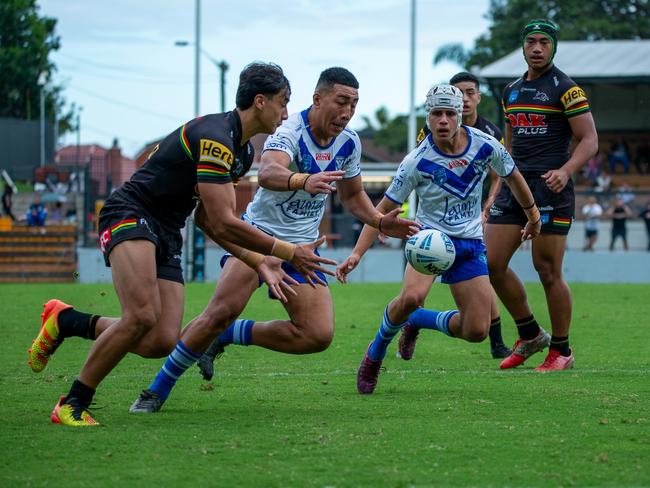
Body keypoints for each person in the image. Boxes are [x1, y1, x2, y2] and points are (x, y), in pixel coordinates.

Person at [28, 62, 336, 427]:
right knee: (141, 315)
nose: (286, 112)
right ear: (259, 101)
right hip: (131, 214)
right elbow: (224, 221)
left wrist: (258, 262)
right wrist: (284, 252)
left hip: (168, 230)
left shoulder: (242, 153)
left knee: (159, 339)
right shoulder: (217, 138)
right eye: (283, 102)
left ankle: (67, 321)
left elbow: (207, 221)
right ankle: (73, 403)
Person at [127, 67, 419, 413]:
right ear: (317, 99)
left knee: (317, 335)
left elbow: (353, 196)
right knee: (221, 310)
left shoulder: (349, 142)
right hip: (258, 237)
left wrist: (379, 221)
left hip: (303, 249)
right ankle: (156, 390)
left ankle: (228, 336)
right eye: (341, 101)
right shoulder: (289, 130)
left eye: (354, 105)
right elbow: (267, 172)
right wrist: (301, 180)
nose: (347, 112)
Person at [336, 84, 540, 395]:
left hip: (470, 246)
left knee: (475, 331)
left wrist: (533, 215)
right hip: (427, 242)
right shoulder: (415, 161)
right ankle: (375, 354)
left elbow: (514, 177)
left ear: (461, 116)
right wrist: (357, 254)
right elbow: (382, 211)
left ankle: (417, 321)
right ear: (428, 118)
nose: (443, 120)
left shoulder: (486, 146)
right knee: (410, 298)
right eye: (436, 114)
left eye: (449, 113)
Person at [485, 19, 598, 371]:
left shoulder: (566, 89)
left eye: (543, 43)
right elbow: (508, 145)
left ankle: (561, 350)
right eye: (531, 42)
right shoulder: (511, 91)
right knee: (491, 263)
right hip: (515, 185)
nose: (536, 48)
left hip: (552, 187)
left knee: (547, 269)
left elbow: (590, 139)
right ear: (523, 46)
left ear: (553, 47)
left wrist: (566, 171)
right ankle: (531, 333)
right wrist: (499, 186)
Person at [417, 72, 511, 359]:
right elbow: (418, 169)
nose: (465, 98)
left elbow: (503, 174)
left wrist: (490, 204)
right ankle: (411, 323)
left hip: (473, 220)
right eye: (459, 93)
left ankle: (496, 340)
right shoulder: (432, 130)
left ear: (478, 97)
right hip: (433, 223)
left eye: (470, 92)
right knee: (414, 295)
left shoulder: (491, 134)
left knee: (483, 277)